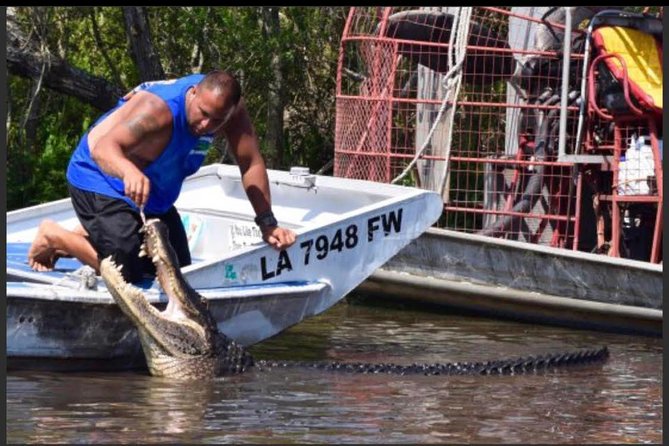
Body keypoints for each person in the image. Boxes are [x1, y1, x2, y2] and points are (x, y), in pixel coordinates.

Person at [28, 70, 296, 283]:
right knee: (126, 272)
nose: (206, 126)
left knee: (178, 274)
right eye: (203, 114)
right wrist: (129, 170)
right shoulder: (158, 110)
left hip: (152, 191)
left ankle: (91, 234)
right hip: (99, 175)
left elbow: (250, 163)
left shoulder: (230, 111)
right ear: (192, 93)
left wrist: (268, 223)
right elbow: (104, 149)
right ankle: (54, 236)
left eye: (217, 121)